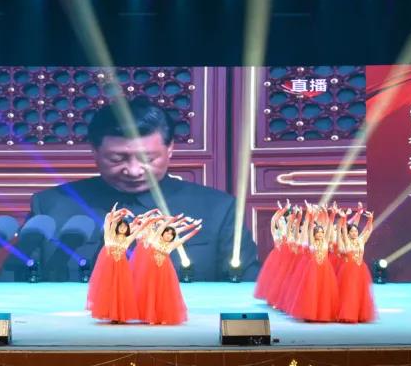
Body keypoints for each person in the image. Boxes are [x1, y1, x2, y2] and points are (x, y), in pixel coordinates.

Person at [29, 98, 259, 281]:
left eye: (147, 159)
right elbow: (20, 285)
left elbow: (245, 287)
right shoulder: (52, 205)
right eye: (117, 159)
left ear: (170, 149)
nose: (134, 170)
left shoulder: (217, 209)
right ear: (95, 152)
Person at [86, 206, 152, 323]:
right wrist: (118, 214)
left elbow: (139, 228)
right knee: (109, 289)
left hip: (122, 267)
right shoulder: (110, 236)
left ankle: (121, 315)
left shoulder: (128, 239)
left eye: (125, 227)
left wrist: (147, 220)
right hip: (109, 267)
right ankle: (112, 314)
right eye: (120, 226)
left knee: (121, 290)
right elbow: (109, 221)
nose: (122, 228)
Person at [136, 218, 202, 325]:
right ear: (162, 233)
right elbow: (162, 227)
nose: (169, 235)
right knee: (152, 293)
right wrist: (170, 219)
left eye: (171, 234)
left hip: (165, 272)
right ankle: (151, 317)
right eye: (167, 233)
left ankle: (164, 317)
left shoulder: (171, 245)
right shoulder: (155, 239)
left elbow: (184, 238)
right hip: (152, 271)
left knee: (164, 294)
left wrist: (195, 230)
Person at [336, 204, 376, 323]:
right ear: (348, 233)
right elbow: (343, 230)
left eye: (356, 231)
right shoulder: (346, 241)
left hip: (360, 270)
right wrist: (343, 218)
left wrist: (370, 220)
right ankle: (348, 313)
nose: (354, 233)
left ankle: (359, 313)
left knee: (360, 292)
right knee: (350, 292)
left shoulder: (361, 240)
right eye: (352, 231)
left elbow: (369, 230)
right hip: (348, 270)